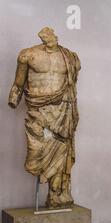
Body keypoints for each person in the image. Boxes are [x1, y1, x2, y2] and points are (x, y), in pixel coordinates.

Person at [8, 27, 81, 208]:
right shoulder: (28, 55)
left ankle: (56, 195)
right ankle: (53, 192)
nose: (47, 37)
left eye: (50, 34)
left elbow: (72, 83)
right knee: (35, 155)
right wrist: (13, 100)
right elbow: (18, 83)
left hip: (63, 110)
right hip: (38, 111)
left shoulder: (70, 57)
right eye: (43, 35)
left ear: (55, 36)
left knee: (62, 152)